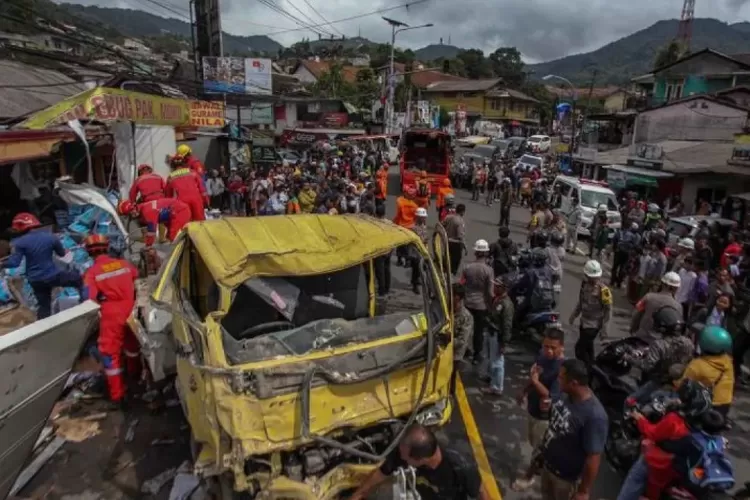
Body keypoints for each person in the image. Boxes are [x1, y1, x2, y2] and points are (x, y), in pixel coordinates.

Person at [616, 379, 713, 500]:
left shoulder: (674, 420)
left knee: (633, 481)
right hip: (678, 467)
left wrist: (640, 418)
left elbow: (653, 433)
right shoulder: (702, 425)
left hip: (658, 462)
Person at [350, 424, 489, 500]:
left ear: (421, 460)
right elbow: (381, 473)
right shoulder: (406, 452)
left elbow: (481, 492)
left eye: (406, 458)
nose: (402, 459)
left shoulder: (461, 466)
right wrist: (358, 494)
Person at [537, 359, 608, 500]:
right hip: (548, 467)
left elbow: (593, 457)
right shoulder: (566, 395)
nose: (558, 380)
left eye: (561, 378)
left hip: (565, 481)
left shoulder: (594, 416)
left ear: (573, 383)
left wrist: (583, 491)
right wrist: (549, 406)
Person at [82, 234, 139, 407]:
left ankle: (118, 395)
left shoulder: (92, 273)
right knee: (132, 345)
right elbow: (136, 278)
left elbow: (88, 299)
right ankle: (135, 375)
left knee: (109, 353)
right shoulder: (124, 264)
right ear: (108, 247)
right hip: (131, 309)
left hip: (111, 313)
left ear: (89, 253)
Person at [2, 213, 82, 319]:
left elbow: (14, 263)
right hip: (52, 275)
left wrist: (2, 264)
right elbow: (62, 254)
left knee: (44, 306)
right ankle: (88, 304)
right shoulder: (51, 237)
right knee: (79, 279)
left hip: (35, 280)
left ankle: (43, 326)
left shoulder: (19, 243)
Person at [626, 305, 694, 405]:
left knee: (630, 401)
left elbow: (647, 366)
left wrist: (629, 358)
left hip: (659, 382)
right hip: (680, 383)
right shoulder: (688, 342)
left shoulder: (659, 344)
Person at [518, 328, 565, 450]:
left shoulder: (562, 369)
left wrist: (535, 382)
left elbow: (550, 396)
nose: (549, 351)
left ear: (561, 347)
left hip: (544, 417)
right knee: (532, 440)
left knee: (539, 448)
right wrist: (524, 390)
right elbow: (535, 373)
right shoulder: (542, 356)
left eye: (553, 348)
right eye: (546, 346)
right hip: (532, 409)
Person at [681, 325, 734, 418]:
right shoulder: (728, 361)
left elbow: (682, 384)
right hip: (724, 405)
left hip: (705, 405)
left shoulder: (697, 365)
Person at [569, 260, 612, 365]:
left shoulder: (604, 290)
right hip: (584, 322)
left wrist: (604, 333)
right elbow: (581, 301)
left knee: (579, 350)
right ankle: (591, 368)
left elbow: (608, 312)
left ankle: (589, 369)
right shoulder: (584, 285)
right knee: (588, 349)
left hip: (593, 326)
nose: (593, 279)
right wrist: (574, 315)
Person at [461, 239, 494, 363]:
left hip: (467, 303)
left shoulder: (467, 267)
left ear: (475, 252)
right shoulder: (488, 270)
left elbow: (461, 285)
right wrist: (491, 307)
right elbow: (490, 292)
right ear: (485, 254)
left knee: (466, 329)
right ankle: (476, 355)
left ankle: (464, 350)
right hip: (481, 305)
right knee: (479, 331)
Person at [482, 278, 514, 396]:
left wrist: (504, 343)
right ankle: (491, 378)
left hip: (497, 336)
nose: (495, 288)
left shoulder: (506, 304)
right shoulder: (498, 299)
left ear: (504, 288)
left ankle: (496, 387)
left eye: (497, 286)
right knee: (490, 358)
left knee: (497, 363)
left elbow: (507, 325)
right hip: (491, 332)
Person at [631, 272, 683, 342]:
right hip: (662, 344)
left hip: (642, 338)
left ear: (662, 284)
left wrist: (633, 329)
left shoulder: (648, 297)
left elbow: (636, 314)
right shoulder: (678, 306)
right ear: (676, 288)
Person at [611, 222, 640, 288]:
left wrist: (614, 249)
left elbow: (614, 241)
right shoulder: (636, 236)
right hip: (627, 253)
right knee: (622, 268)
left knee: (615, 267)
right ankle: (619, 283)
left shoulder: (620, 232)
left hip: (618, 252)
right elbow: (635, 246)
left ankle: (612, 281)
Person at [452, 282, 474, 363]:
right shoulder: (447, 310)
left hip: (456, 355)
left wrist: (448, 340)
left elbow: (462, 340)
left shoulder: (466, 316)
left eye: (451, 295)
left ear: (457, 297)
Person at [409, 207, 429, 294]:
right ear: (418, 217)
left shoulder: (424, 226)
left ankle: (416, 280)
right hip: (415, 252)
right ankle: (414, 285)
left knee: (422, 268)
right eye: (423, 217)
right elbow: (412, 241)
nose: (424, 218)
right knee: (416, 269)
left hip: (423, 251)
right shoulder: (413, 228)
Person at [443, 204, 467, 275]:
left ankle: (444, 270)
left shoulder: (448, 217)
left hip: (447, 240)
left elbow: (441, 225)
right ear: (462, 212)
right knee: (455, 260)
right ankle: (452, 274)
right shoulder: (460, 221)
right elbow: (460, 236)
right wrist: (465, 247)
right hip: (456, 243)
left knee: (447, 257)